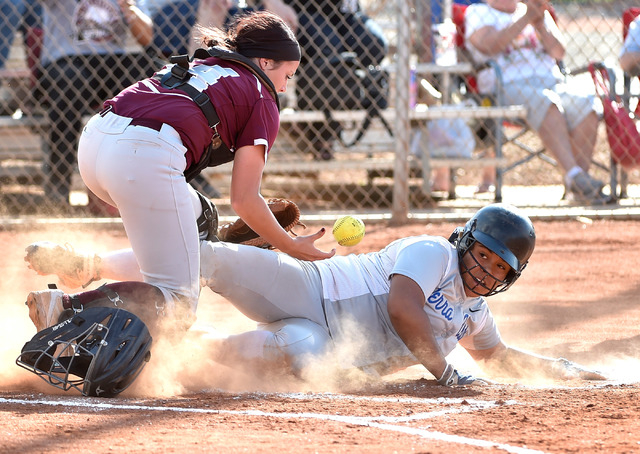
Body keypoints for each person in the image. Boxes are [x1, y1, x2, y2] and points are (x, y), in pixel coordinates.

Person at [23, 203, 605, 385]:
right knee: (206, 257)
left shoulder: (474, 315)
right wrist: (446, 372)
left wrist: (560, 368)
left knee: (220, 360)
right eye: (481, 255)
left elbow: (499, 356)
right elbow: (404, 310)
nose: (482, 272)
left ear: (508, 280)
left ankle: (115, 351)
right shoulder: (433, 253)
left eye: (497, 269)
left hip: (323, 345)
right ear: (465, 243)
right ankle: (75, 293)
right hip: (311, 286)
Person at [26, 11, 334, 335]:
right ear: (266, 62)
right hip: (141, 158)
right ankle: (66, 308)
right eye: (289, 73)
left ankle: (86, 266)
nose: (285, 87)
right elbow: (244, 199)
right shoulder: (261, 95)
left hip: (96, 141)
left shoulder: (208, 64)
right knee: (177, 304)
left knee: (202, 224)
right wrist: (289, 244)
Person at [464, 0, 608, 204]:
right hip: (506, 86)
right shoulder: (479, 12)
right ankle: (575, 176)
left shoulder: (532, 10)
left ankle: (579, 183)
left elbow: (559, 52)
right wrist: (525, 20)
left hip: (553, 82)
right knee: (546, 101)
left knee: (585, 101)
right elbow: (489, 46)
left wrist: (540, 24)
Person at [39, 0, 156, 209]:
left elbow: (146, 38)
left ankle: (141, 188)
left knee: (145, 68)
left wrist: (128, 7)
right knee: (70, 84)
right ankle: (57, 190)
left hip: (113, 61)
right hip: (67, 59)